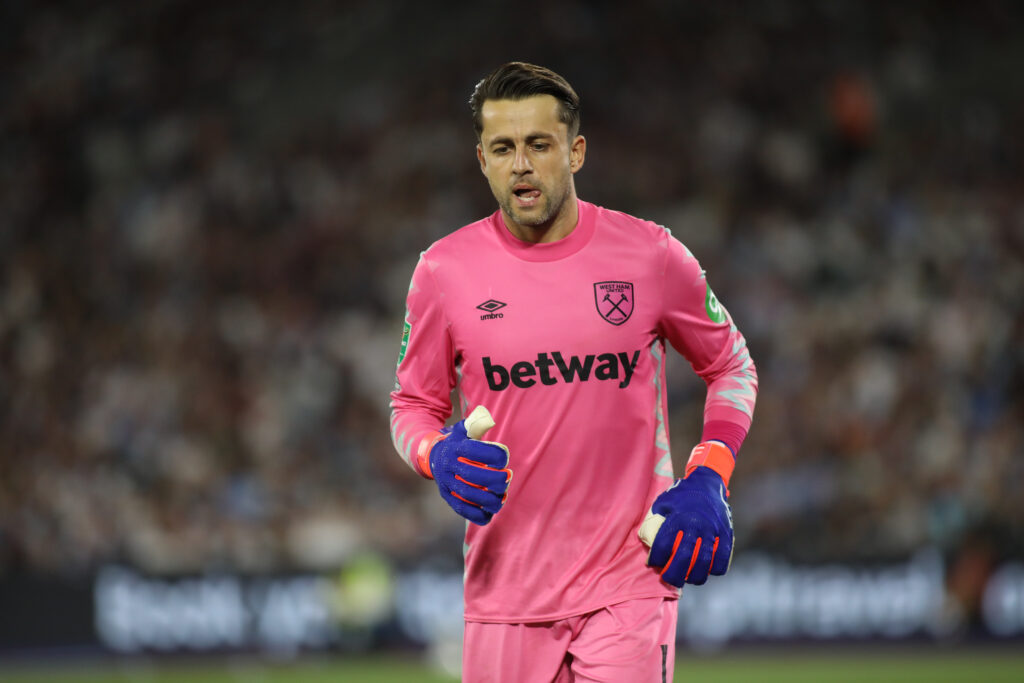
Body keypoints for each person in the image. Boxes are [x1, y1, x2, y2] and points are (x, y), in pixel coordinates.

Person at [389, 62, 757, 682]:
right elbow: (410, 407)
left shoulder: (651, 255)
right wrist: (436, 456)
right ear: (482, 159)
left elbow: (731, 365)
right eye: (503, 148)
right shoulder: (442, 273)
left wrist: (710, 472)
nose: (521, 165)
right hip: (505, 591)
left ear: (576, 151)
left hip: (628, 583)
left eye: (539, 144)